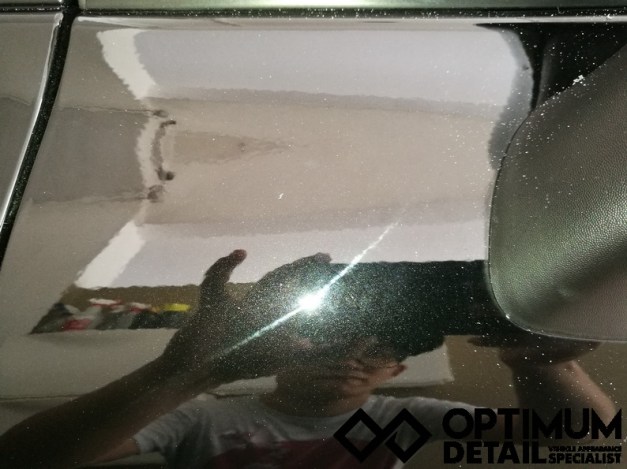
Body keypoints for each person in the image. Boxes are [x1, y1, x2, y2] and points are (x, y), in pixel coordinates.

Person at [0, 250, 617, 468]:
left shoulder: (400, 419)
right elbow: (25, 460)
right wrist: (190, 371)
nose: (352, 362)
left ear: (396, 374)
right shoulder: (205, 417)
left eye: (378, 353)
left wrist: (541, 362)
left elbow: (584, 438)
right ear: (280, 354)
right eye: (333, 342)